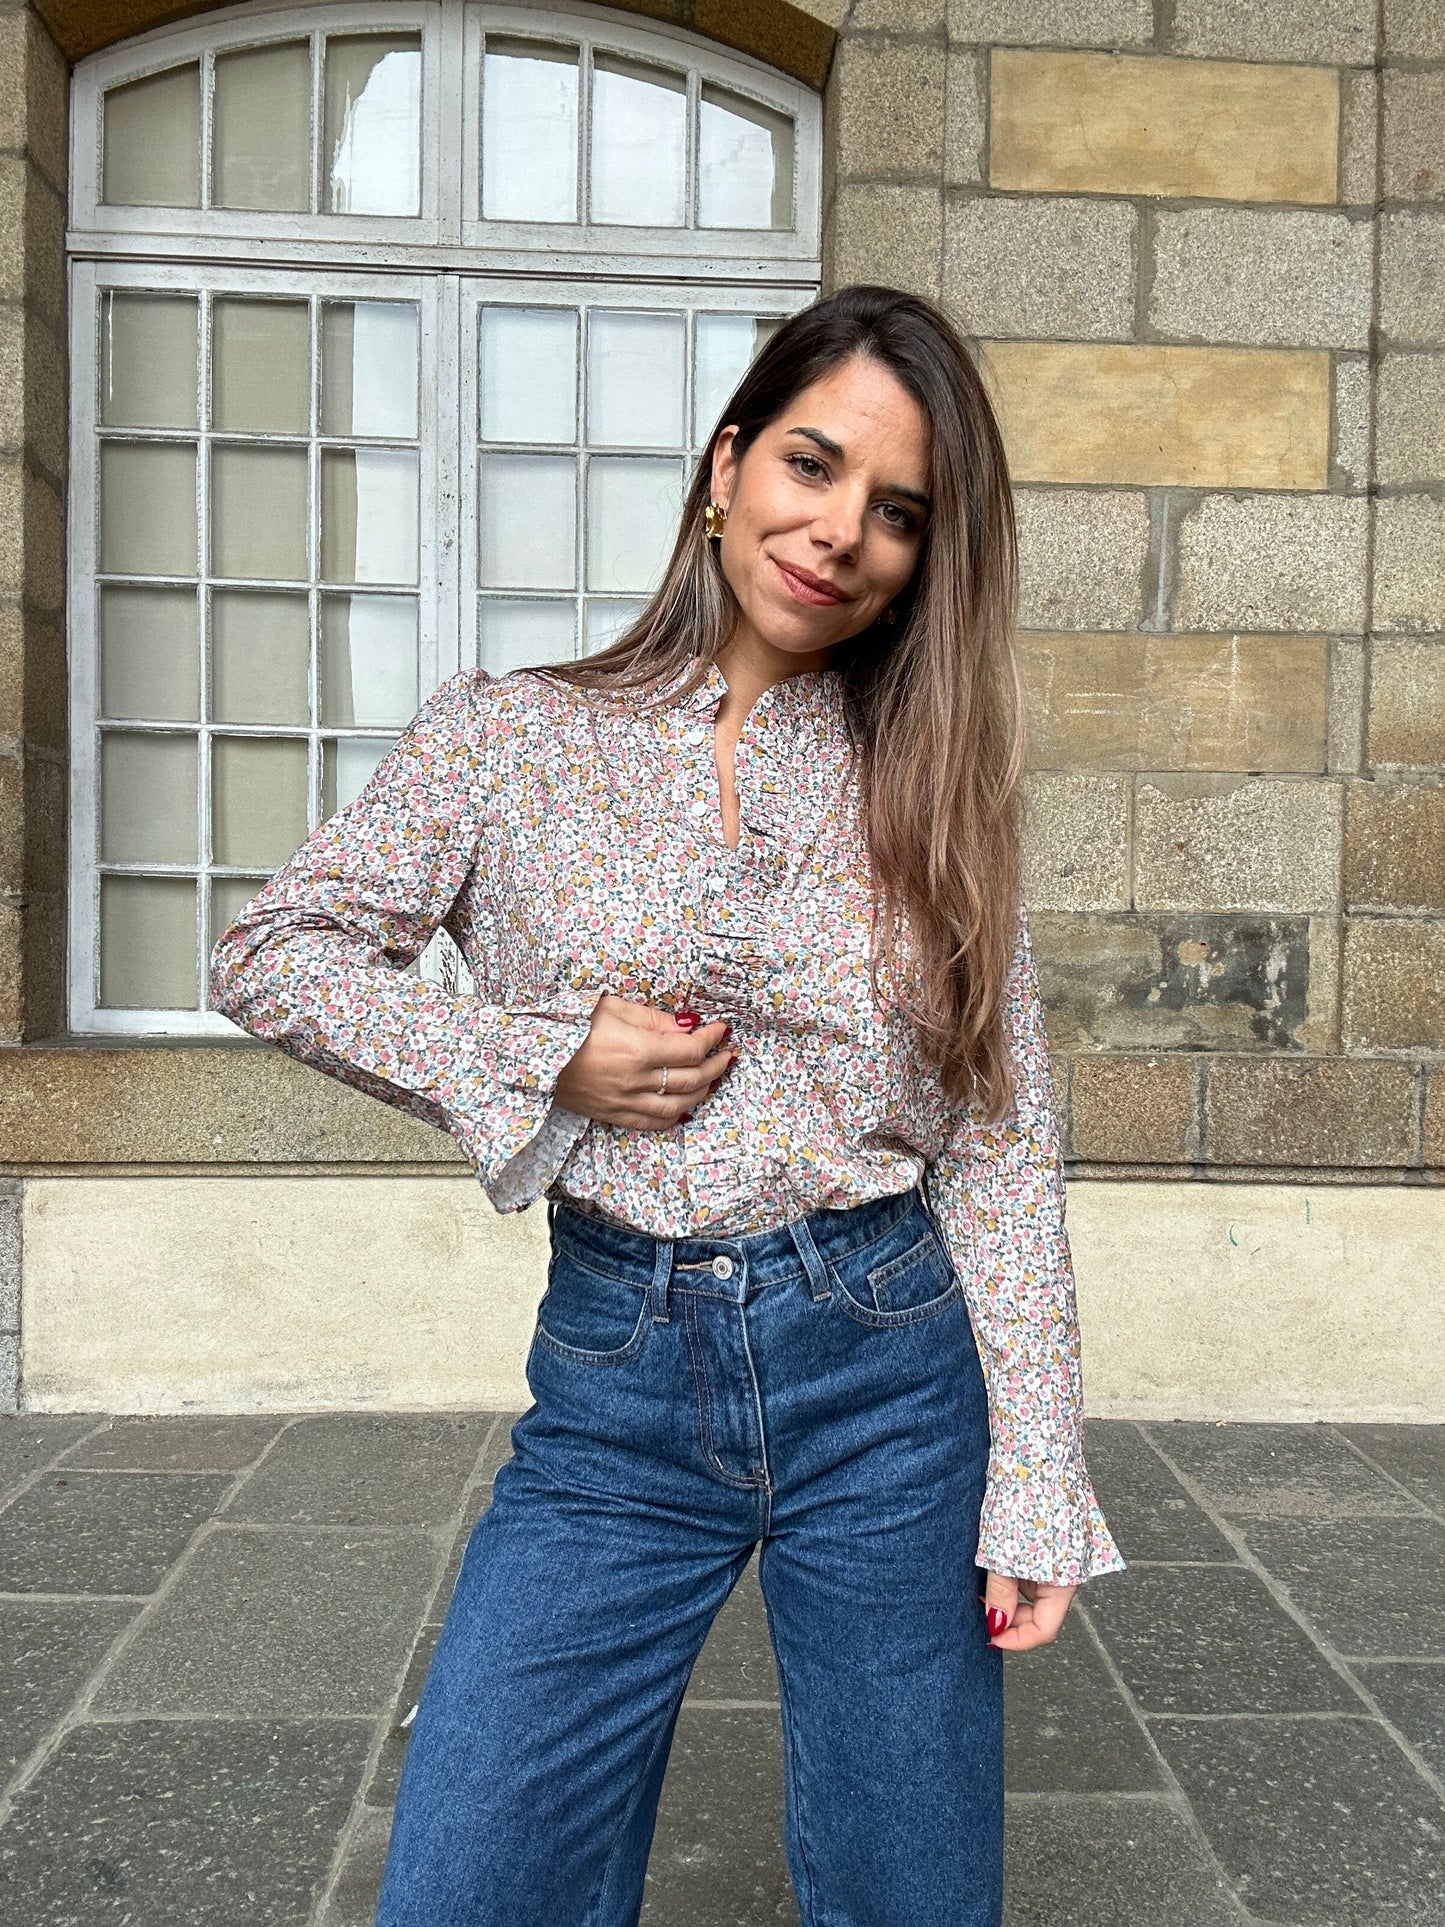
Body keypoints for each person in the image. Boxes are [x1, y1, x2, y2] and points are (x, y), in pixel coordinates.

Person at [209, 283, 1125, 1927]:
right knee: (473, 1887)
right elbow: (275, 951)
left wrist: (1036, 1474)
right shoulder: (511, 737)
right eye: (810, 464)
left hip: (889, 1371)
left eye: (897, 513)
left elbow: (997, 1138)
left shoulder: (932, 784)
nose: (838, 532)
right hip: (621, 1378)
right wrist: (536, 1055)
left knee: (909, 1895)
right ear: (725, 468)